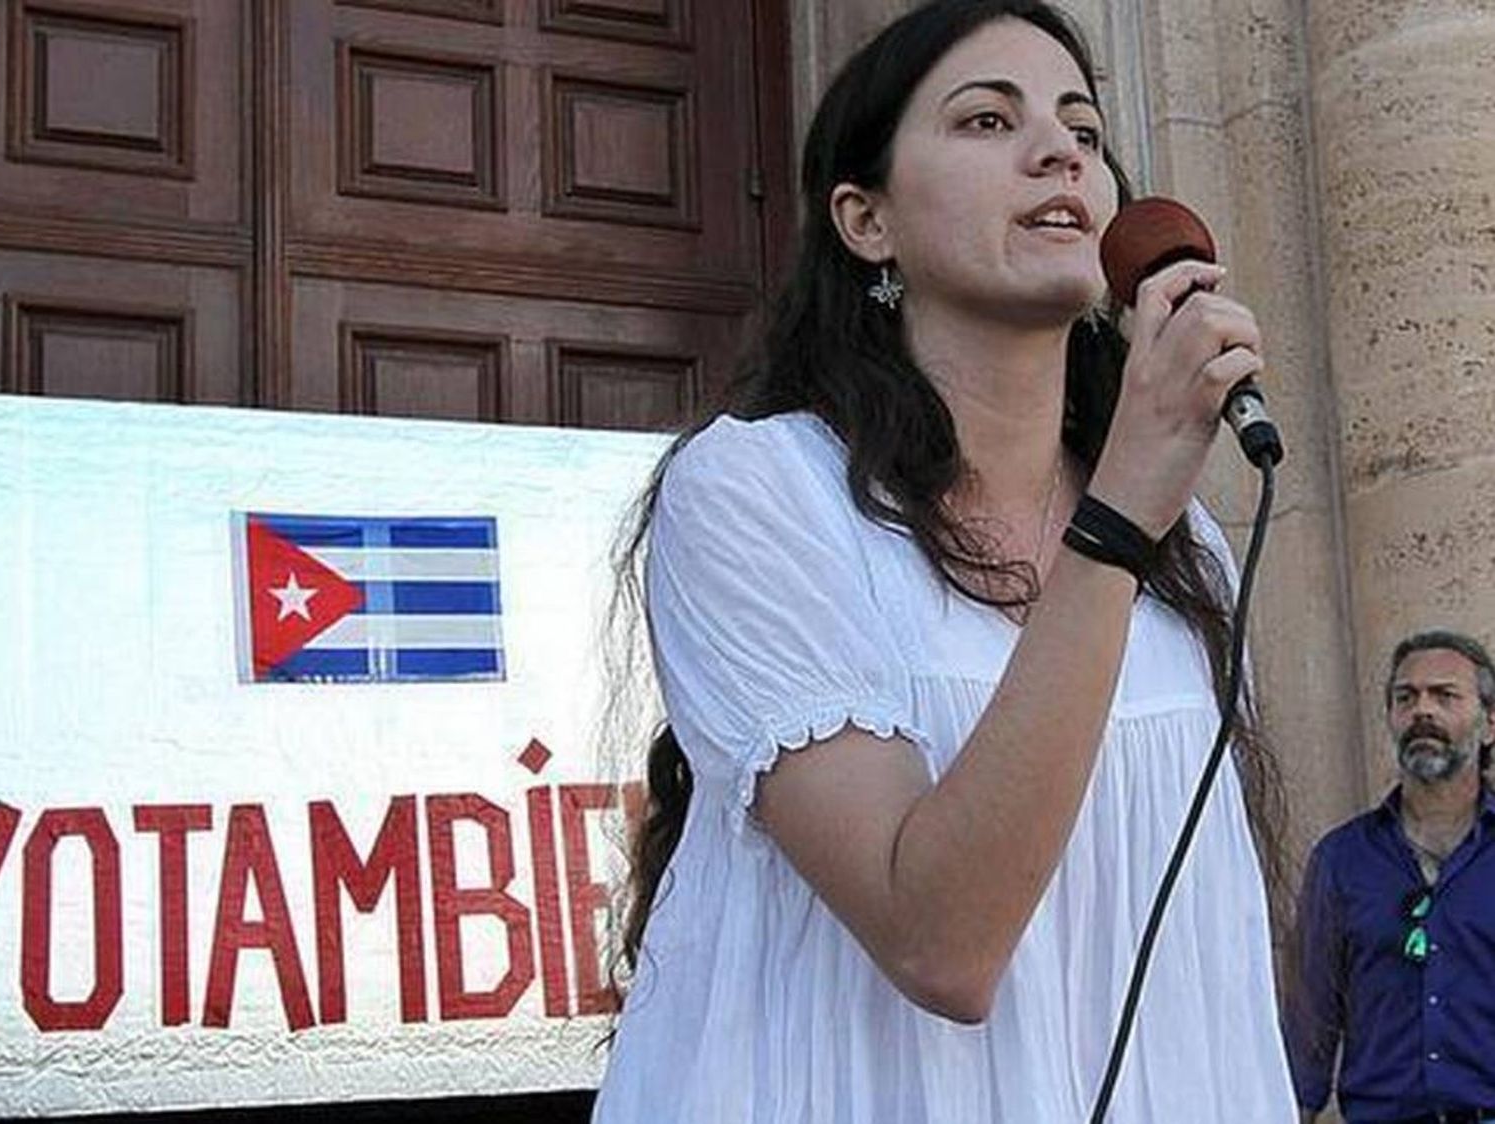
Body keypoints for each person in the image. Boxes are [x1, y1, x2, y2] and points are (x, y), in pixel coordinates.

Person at [589, 1, 1294, 1121]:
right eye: (986, 120)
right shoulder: (757, 490)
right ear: (866, 220)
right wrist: (1118, 514)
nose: (1060, 150)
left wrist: (1130, 510)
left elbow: (1203, 965)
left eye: (1082, 127)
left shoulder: (1186, 546)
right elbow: (942, 945)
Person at [1286, 630, 1495, 1123]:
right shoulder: (1342, 860)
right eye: (1406, 697)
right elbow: (1309, 1025)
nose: (1422, 710)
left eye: (1444, 696)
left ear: (1489, 723)